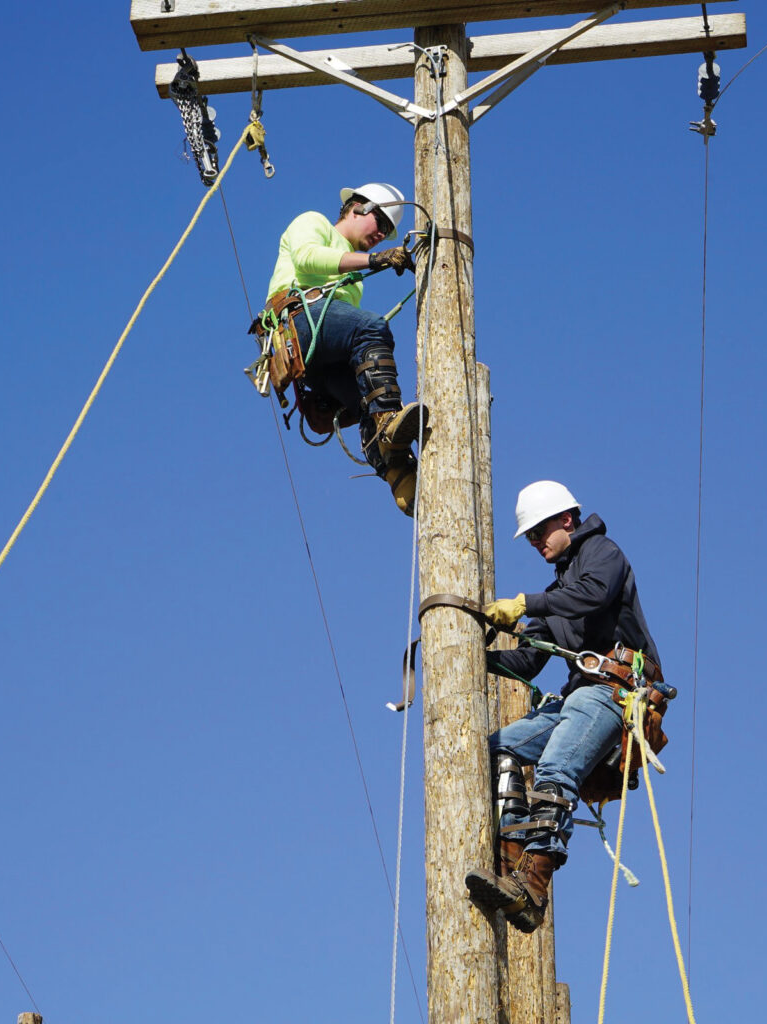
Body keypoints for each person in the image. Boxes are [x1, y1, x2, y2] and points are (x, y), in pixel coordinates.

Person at [465, 480, 667, 933]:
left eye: (539, 532)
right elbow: (528, 661)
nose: (536, 543)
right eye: (530, 537)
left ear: (567, 520)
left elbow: (592, 595)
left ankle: (533, 888)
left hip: (614, 692)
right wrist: (468, 655)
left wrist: (523, 604)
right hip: (578, 697)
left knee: (556, 767)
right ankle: (512, 858)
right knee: (501, 748)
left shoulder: (602, 554)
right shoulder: (557, 593)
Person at [265, 182, 428, 516]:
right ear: (358, 207)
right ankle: (388, 423)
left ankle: (399, 475)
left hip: (320, 351)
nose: (383, 234)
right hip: (299, 324)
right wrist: (372, 259)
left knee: (362, 399)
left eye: (388, 230)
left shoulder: (355, 275)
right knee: (371, 327)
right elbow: (307, 258)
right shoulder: (314, 223)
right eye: (380, 223)